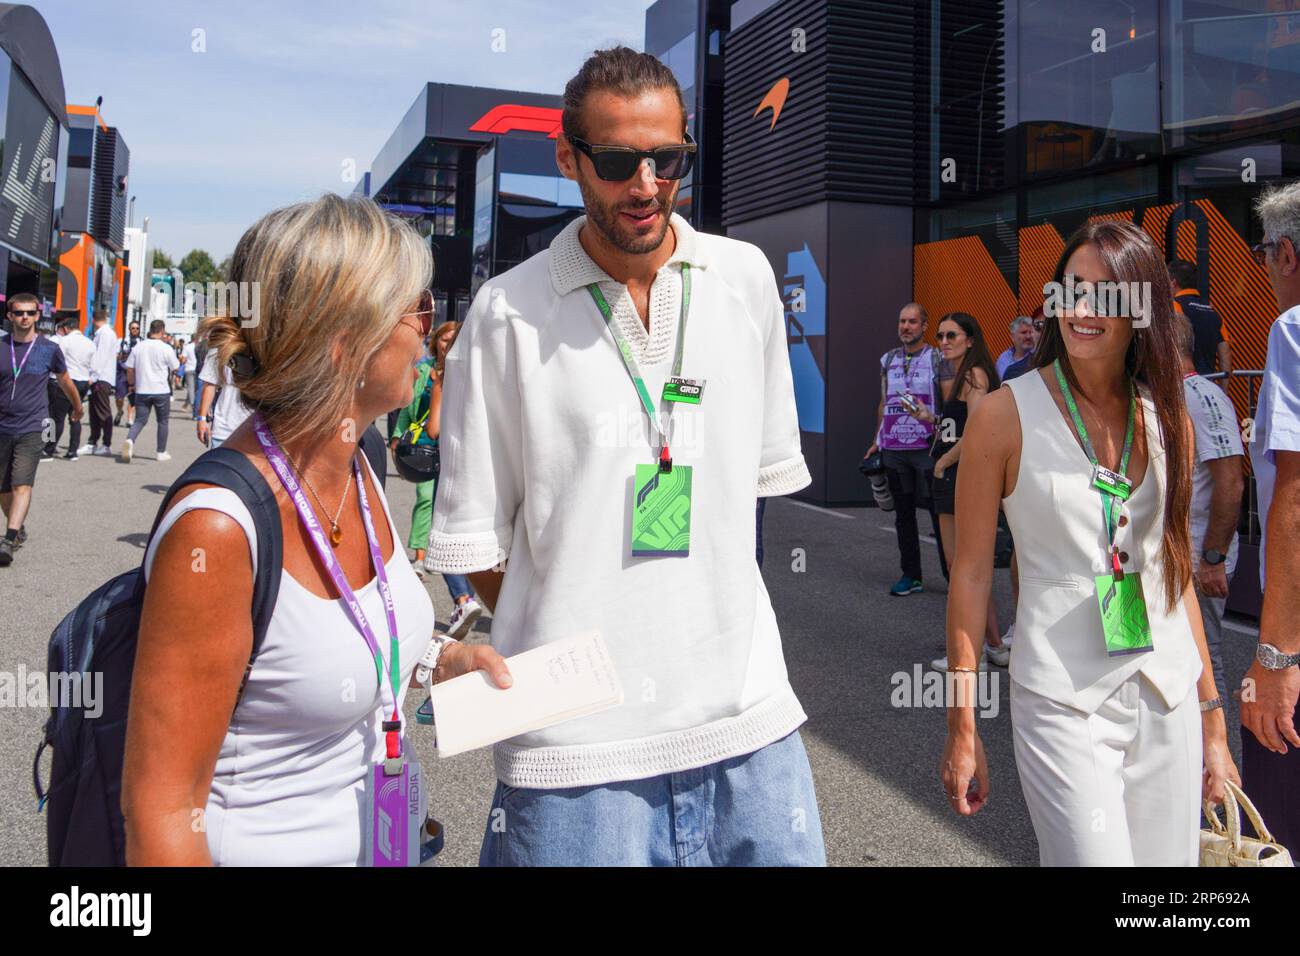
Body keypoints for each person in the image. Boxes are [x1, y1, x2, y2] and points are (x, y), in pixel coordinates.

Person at [427, 46, 825, 867]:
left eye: (668, 159)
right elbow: (479, 548)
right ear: (569, 157)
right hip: (576, 759)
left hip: (749, 731)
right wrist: (571, 610)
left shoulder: (744, 278)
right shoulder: (505, 316)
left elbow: (746, 493)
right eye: (616, 161)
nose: (645, 185)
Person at [122, 194, 510, 866]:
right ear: (345, 342)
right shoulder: (217, 529)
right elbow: (159, 811)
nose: (428, 328)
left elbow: (322, 649)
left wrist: (439, 662)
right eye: (417, 310)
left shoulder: (359, 466)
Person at [941, 219, 1237, 865]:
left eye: (1105, 294)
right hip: (1060, 697)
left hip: (1168, 689)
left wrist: (1213, 721)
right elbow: (970, 575)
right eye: (1070, 289)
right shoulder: (1003, 413)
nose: (1081, 309)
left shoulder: (1168, 417)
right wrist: (963, 724)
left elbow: (1174, 572)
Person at [1239, 183, 1300, 856]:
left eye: (1261, 252)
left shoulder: (1294, 329)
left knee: (1278, 831)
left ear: (1285, 254)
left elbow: (1297, 492)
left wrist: (1277, 657)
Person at [921, 312, 1006, 671]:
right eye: (940, 335)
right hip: (958, 473)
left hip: (958, 474)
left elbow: (976, 430)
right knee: (965, 566)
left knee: (961, 567)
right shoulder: (965, 376)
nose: (943, 341)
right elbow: (959, 426)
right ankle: (994, 645)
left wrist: (942, 464)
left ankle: (968, 654)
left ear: (970, 340)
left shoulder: (974, 375)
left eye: (952, 335)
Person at [393, 321, 483, 634]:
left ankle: (461, 598)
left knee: (442, 534)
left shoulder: (441, 376)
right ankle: (473, 595)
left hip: (451, 463)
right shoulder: (483, 370)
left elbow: (433, 428)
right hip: (482, 462)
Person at [1176, 313, 1244, 700]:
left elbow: (1231, 482)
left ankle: (1211, 751)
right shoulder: (1158, 394)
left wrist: (1213, 558)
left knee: (1202, 655)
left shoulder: (1201, 396)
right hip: (1169, 555)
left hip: (1198, 556)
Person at [866, 302, 952, 595]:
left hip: (926, 450)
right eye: (902, 321)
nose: (906, 327)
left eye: (912, 322)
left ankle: (954, 577)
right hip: (894, 449)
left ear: (924, 326)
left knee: (940, 515)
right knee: (903, 515)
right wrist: (876, 439)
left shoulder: (939, 358)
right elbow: (882, 401)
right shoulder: (888, 359)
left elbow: (947, 401)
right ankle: (911, 575)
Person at [0, 294, 82, 567]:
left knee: (21, 482)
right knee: (3, 490)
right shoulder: (1, 346)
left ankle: (9, 538)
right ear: (9, 315)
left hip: (34, 426)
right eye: (19, 312)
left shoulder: (48, 349)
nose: (24, 317)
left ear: (37, 315)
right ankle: (18, 527)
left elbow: (65, 380)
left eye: (29, 313)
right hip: (2, 426)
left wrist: (77, 407)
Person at [122, 319, 180, 463]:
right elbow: (175, 367)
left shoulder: (139, 347)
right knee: (163, 421)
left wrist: (131, 384)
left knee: (140, 420)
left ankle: (130, 440)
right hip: (161, 390)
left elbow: (129, 368)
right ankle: (161, 452)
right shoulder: (166, 348)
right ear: (162, 331)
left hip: (142, 389)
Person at [1169, 259, 1233, 378]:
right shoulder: (1213, 312)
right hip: (1208, 384)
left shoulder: (1174, 307)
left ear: (1173, 282)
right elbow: (1225, 353)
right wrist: (1223, 390)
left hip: (1184, 384)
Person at [46, 317, 95, 460]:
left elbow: (56, 361)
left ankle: (48, 450)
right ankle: (73, 452)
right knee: (76, 416)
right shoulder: (90, 343)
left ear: (66, 328)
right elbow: (95, 366)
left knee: (56, 417)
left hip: (66, 381)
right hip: (83, 381)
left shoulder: (65, 341)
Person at [197, 333, 252, 449]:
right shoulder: (220, 349)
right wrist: (202, 418)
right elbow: (210, 384)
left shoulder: (265, 349)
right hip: (225, 427)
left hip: (256, 430)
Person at [84, 310, 118, 456]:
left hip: (101, 377)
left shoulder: (105, 334)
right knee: (94, 412)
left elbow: (101, 356)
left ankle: (106, 444)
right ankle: (93, 442)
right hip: (101, 377)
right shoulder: (106, 333)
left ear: (93, 320)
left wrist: (94, 375)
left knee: (103, 412)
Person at [115, 319, 141, 428]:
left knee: (132, 397)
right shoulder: (122, 341)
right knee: (119, 397)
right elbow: (116, 355)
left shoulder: (142, 342)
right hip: (122, 372)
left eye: (137, 328)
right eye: (133, 328)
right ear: (129, 329)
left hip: (135, 372)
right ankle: (120, 411)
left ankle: (130, 419)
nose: (135, 330)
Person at [181, 335, 197, 410]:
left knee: (191, 388)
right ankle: (187, 404)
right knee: (194, 388)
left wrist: (181, 359)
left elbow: (183, 360)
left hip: (189, 368)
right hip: (197, 369)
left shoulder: (187, 347)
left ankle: (192, 405)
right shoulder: (199, 346)